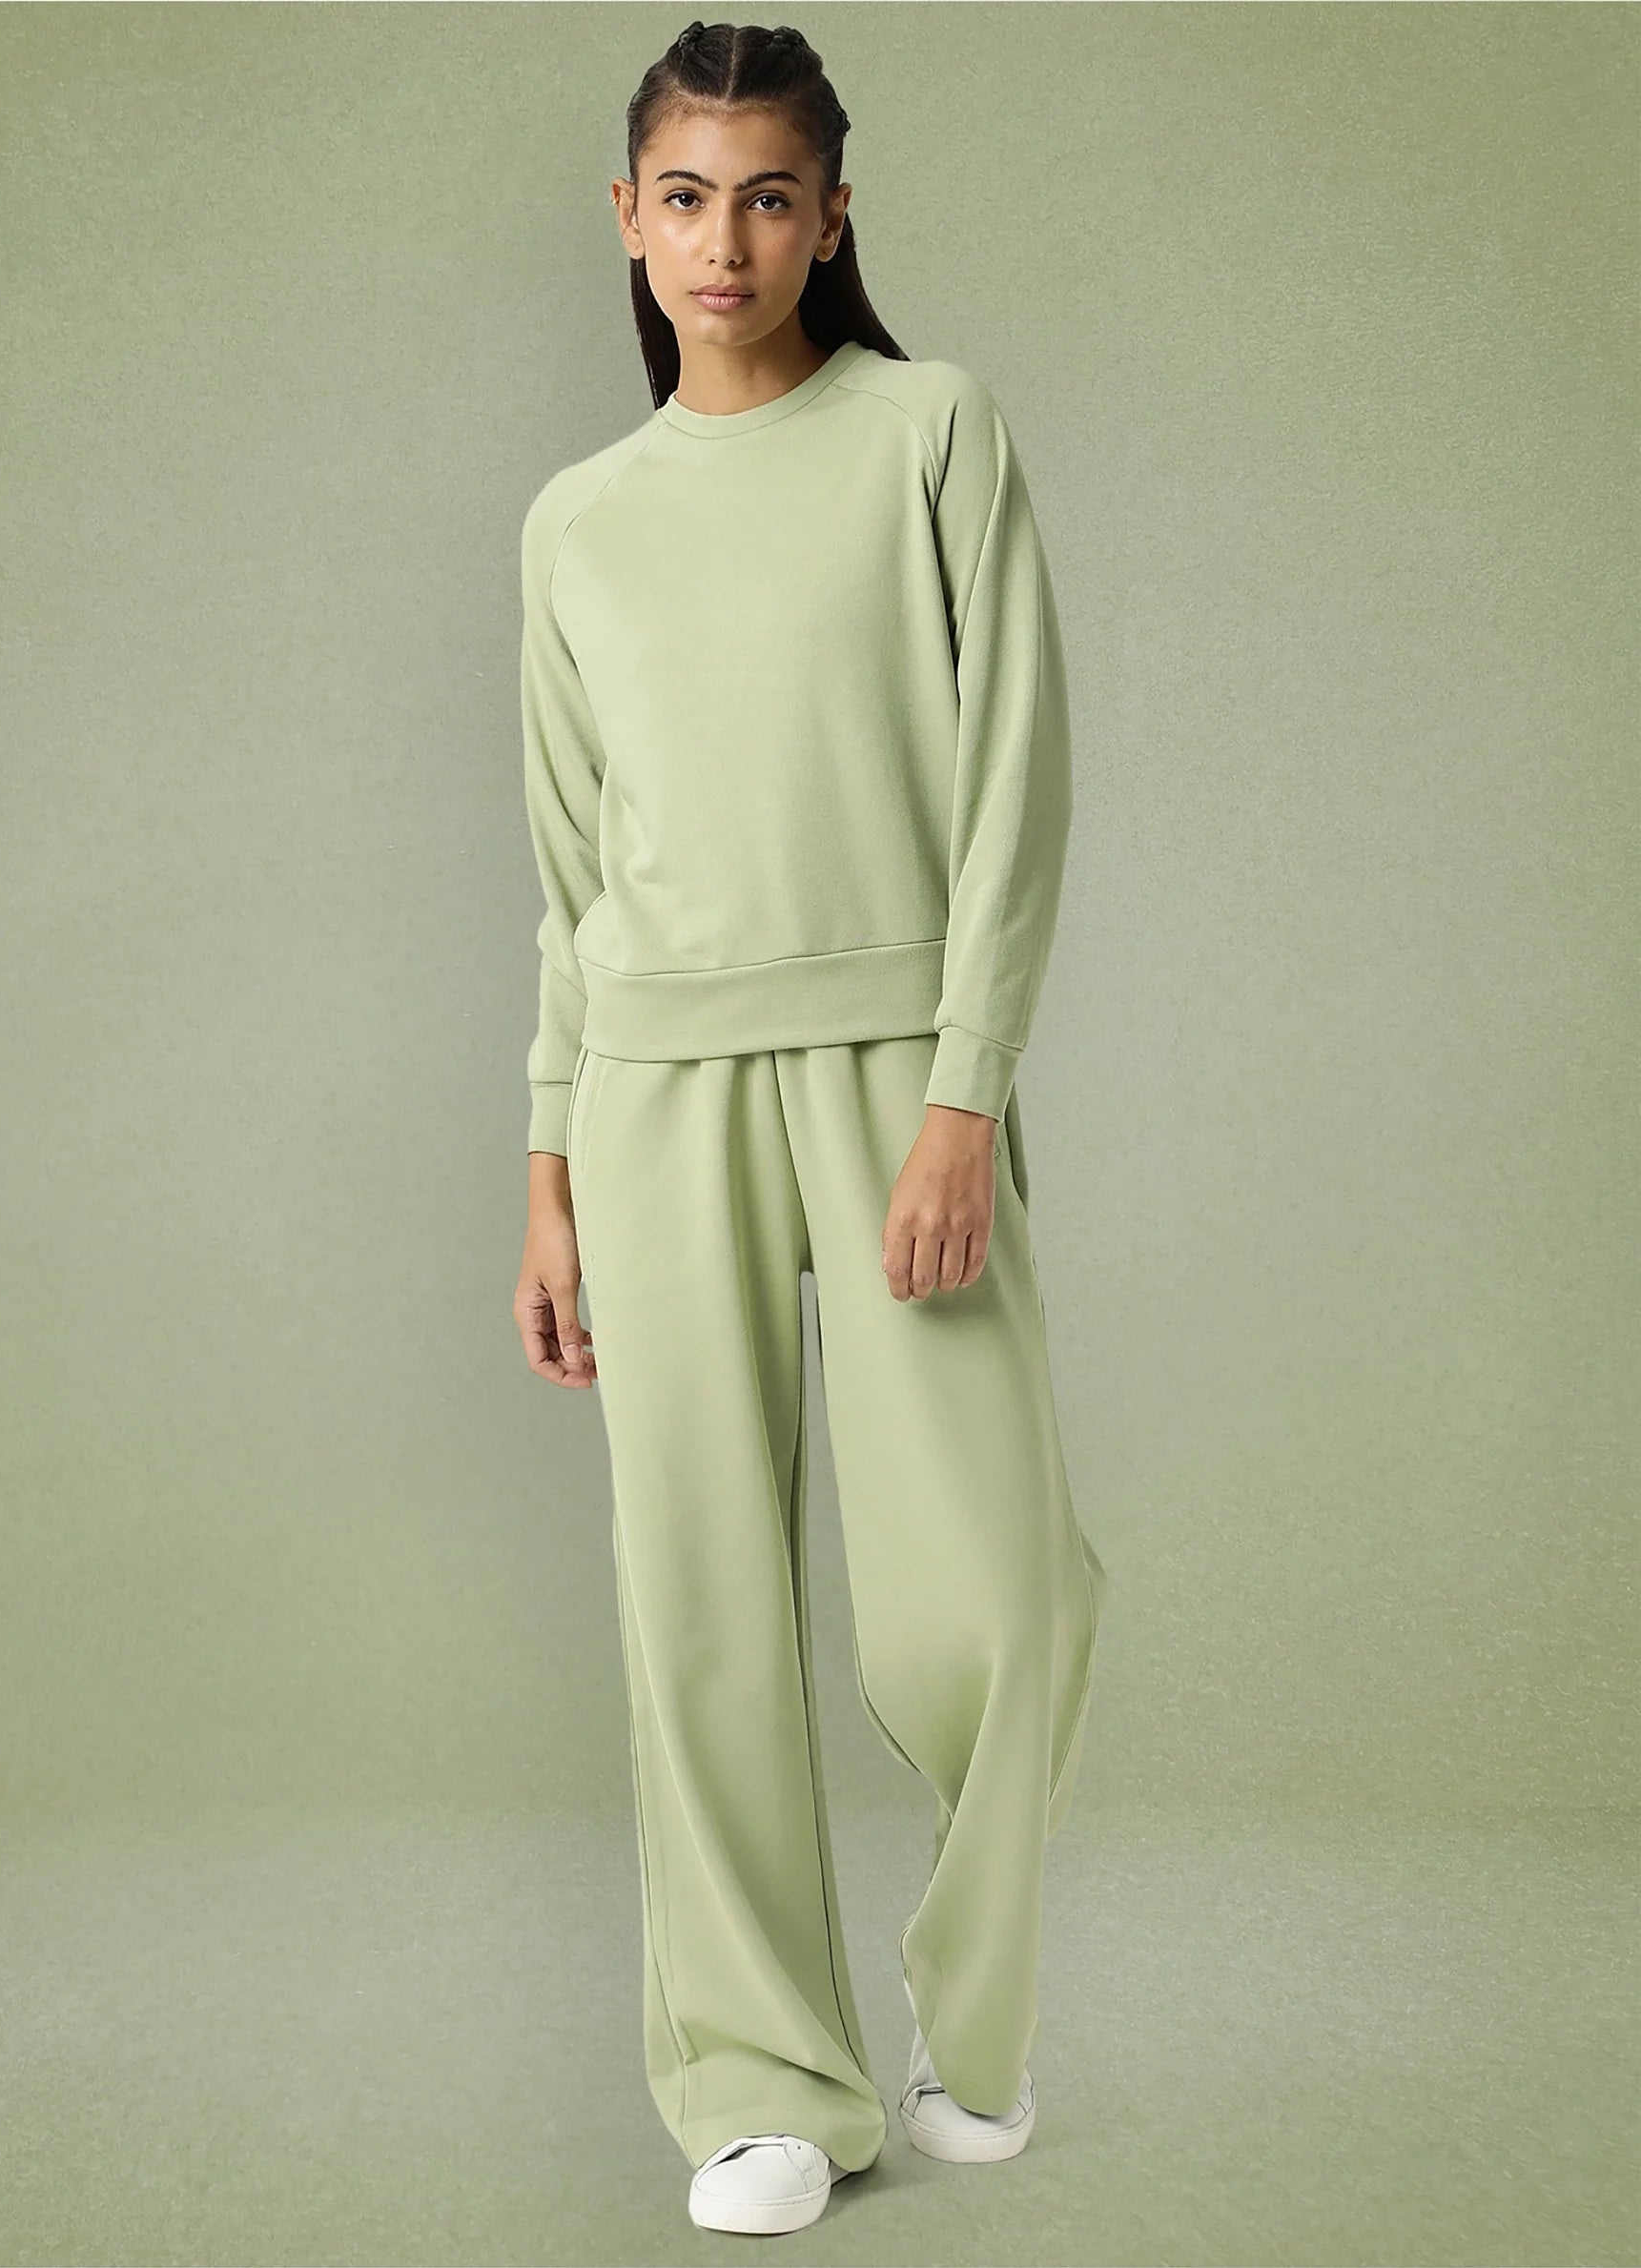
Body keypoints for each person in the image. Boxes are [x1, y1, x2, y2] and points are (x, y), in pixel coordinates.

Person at [510, 18, 1107, 2237]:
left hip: (891, 1072)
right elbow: (570, 877)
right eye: (686, 197)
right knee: (697, 1609)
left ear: (833, 213)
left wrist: (963, 1090)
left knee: (995, 1589)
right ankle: (761, 2077)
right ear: (628, 218)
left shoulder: (930, 431)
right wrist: (548, 1167)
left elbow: (1013, 779)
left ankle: (979, 2014)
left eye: (770, 196)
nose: (726, 241)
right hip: (652, 1096)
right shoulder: (578, 523)